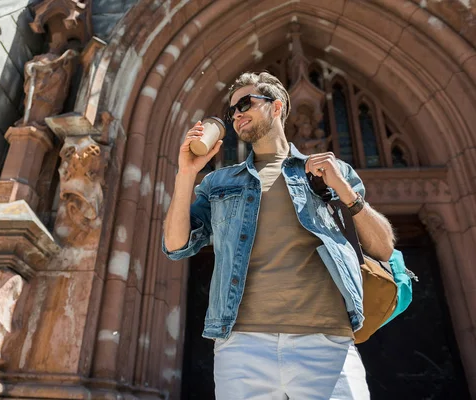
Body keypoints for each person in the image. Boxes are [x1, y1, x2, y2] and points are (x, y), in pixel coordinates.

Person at [162, 71, 395, 399]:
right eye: (232, 111)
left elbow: (383, 248)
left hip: (326, 343)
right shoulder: (219, 182)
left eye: (245, 103)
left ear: (277, 107)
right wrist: (186, 173)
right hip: (242, 347)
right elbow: (175, 246)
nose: (237, 115)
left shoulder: (327, 171)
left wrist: (345, 192)